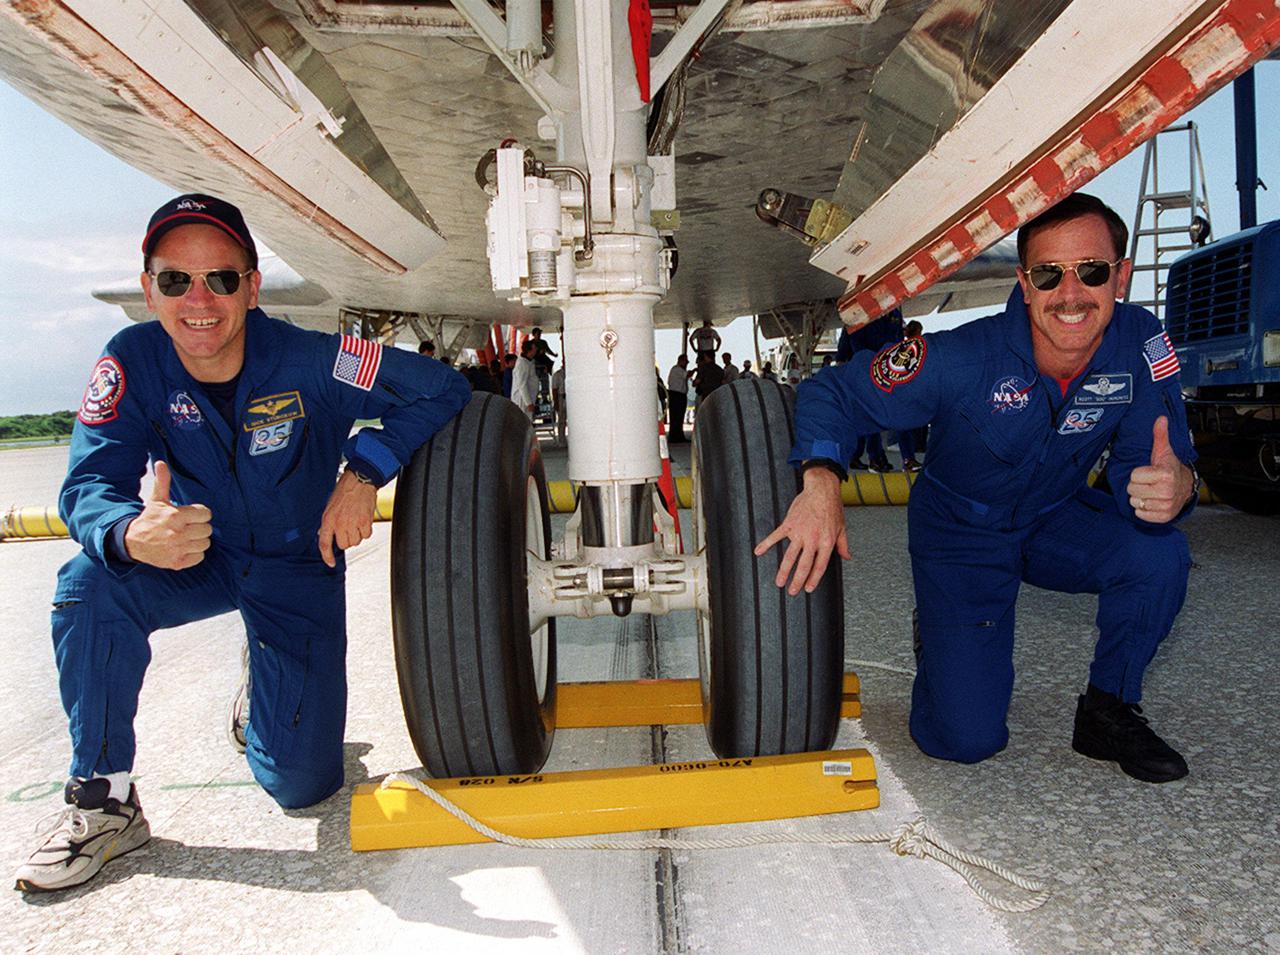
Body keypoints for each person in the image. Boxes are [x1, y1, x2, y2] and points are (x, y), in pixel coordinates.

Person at [15, 194, 471, 893]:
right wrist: (131, 529)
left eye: (221, 279)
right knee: (89, 581)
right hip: (200, 553)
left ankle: (262, 689)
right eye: (175, 280)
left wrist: (363, 471)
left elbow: (439, 387)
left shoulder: (314, 359)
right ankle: (104, 801)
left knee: (302, 785)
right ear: (149, 290)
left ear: (251, 289)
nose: (200, 300)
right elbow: (88, 482)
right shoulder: (131, 362)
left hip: (297, 565)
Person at [757, 192, 1197, 785]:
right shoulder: (963, 358)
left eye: (1091, 271)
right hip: (960, 535)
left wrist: (1179, 485)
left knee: (1158, 552)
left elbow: (1152, 471)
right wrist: (821, 481)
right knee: (966, 741)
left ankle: (1108, 709)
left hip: (1052, 518)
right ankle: (936, 640)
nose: (1070, 295)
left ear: (1119, 276)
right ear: (1023, 282)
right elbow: (832, 393)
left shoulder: (1141, 344)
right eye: (1048, 275)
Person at [511, 339, 538, 419]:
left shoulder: (530, 362)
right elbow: (522, 385)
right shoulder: (522, 364)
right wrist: (528, 403)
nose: (536, 350)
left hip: (529, 397)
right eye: (534, 348)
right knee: (523, 422)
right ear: (529, 351)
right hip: (522, 400)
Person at [665, 355, 689, 442]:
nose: (687, 363)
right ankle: (675, 436)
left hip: (678, 395)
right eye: (686, 361)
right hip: (676, 395)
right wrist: (695, 370)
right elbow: (687, 375)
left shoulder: (677, 370)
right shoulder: (677, 369)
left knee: (679, 416)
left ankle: (678, 435)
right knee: (676, 416)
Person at [529, 326, 557, 400]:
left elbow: (548, 350)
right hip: (535, 364)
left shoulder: (543, 342)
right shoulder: (531, 343)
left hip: (543, 364)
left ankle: (545, 397)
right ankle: (536, 398)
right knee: (535, 382)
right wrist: (538, 352)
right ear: (534, 334)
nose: (539, 335)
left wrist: (554, 355)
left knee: (544, 381)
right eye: (538, 333)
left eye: (540, 333)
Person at [551, 362, 567, 445]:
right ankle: (562, 440)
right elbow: (554, 389)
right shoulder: (557, 375)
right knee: (561, 420)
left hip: (570, 397)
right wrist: (556, 402)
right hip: (561, 397)